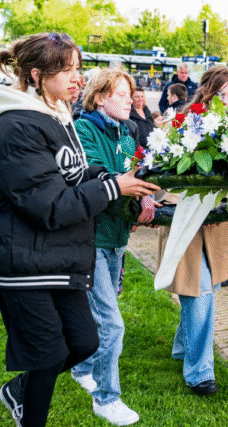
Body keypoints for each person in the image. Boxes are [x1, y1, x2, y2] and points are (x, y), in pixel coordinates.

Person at [0, 33, 158, 427]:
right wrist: (113, 187)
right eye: (68, 70)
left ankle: (20, 389)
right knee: (49, 355)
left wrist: (113, 177)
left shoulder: (55, 114)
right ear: (37, 75)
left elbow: (74, 172)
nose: (78, 78)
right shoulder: (16, 127)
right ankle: (30, 410)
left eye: (78, 68)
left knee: (84, 342)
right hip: (21, 260)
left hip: (56, 256)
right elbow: (50, 206)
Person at [71, 67, 159, 426]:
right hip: (91, 239)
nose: (130, 99)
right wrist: (132, 193)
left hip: (116, 238)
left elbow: (134, 173)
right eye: (121, 94)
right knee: (112, 324)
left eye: (130, 93)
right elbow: (100, 178)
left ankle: (81, 367)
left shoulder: (127, 130)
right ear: (100, 98)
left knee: (99, 312)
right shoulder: (84, 129)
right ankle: (106, 398)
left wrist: (146, 200)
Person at [154, 66, 228, 395]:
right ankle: (200, 372)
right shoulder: (182, 122)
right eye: (221, 94)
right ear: (206, 90)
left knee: (205, 290)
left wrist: (227, 205)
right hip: (186, 217)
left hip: (215, 222)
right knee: (198, 291)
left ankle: (181, 348)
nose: (227, 101)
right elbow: (164, 173)